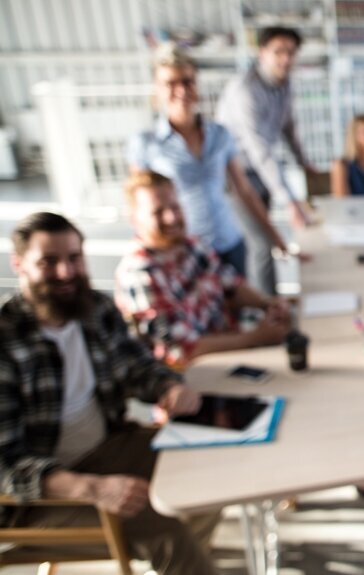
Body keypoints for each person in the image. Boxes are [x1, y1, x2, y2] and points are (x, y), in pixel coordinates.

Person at [0, 212, 219, 574]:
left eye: (74, 258)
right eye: (49, 262)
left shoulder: (95, 309)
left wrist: (169, 387)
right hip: (36, 498)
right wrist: (92, 488)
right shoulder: (6, 341)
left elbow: (138, 366)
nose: (66, 272)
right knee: (168, 534)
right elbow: (5, 463)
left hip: (108, 446)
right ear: (19, 264)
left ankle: (186, 565)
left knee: (210, 475)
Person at [128, 44, 290, 282]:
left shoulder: (220, 134)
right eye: (171, 83)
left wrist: (274, 235)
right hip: (184, 251)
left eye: (187, 81)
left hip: (229, 243)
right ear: (157, 89)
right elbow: (138, 206)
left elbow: (244, 190)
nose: (181, 90)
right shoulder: (145, 144)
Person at [115, 171, 292, 370]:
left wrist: (268, 304)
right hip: (195, 373)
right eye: (158, 212)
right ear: (134, 218)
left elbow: (231, 286)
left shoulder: (192, 245)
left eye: (175, 207)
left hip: (231, 352)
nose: (171, 218)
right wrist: (256, 338)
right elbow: (182, 350)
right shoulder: (139, 274)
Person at [217, 26, 319, 295]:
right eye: (279, 51)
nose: (286, 58)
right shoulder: (245, 90)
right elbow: (259, 150)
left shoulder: (284, 85)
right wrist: (290, 201)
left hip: (261, 173)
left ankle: (271, 303)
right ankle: (266, 309)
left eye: (291, 52)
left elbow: (288, 128)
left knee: (267, 242)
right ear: (262, 53)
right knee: (262, 243)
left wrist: (304, 163)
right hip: (236, 175)